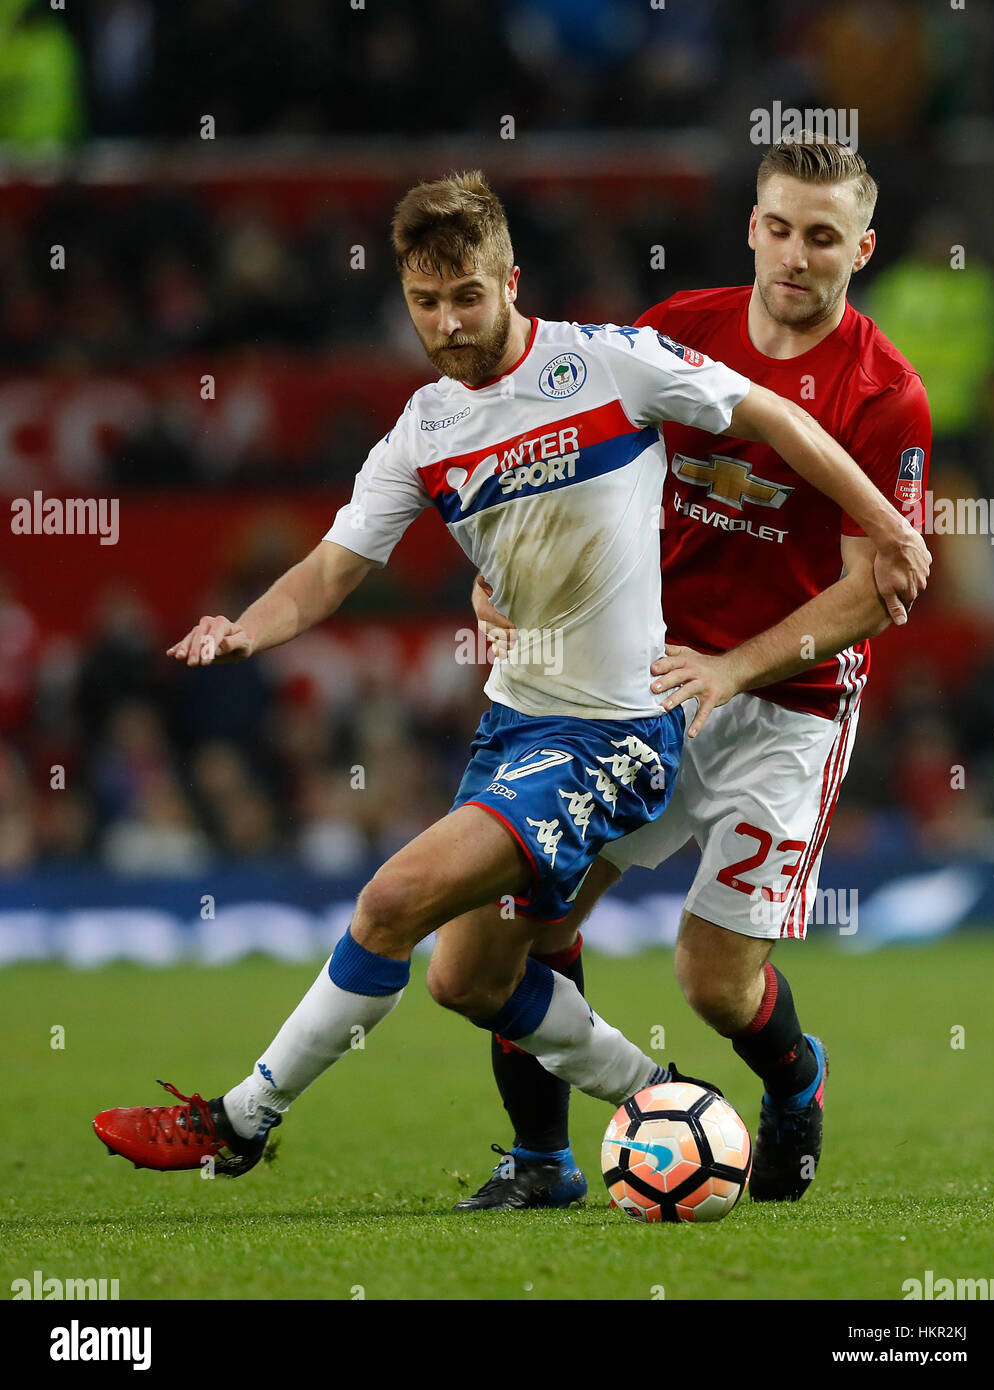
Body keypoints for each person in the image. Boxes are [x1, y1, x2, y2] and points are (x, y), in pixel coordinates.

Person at [92, 168, 928, 1180]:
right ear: (753, 230)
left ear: (511, 281)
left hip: (645, 721)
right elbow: (329, 569)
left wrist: (880, 528)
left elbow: (781, 430)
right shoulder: (426, 430)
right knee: (469, 973)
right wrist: (248, 628)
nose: (446, 321)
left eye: (467, 296)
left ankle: (241, 1116)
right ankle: (638, 1117)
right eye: (425, 302)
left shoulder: (617, 361)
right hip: (531, 718)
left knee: (419, 906)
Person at [449, 134, 934, 1210]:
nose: (795, 256)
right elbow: (572, 467)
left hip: (785, 707)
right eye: (778, 228)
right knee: (531, 928)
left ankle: (795, 1082)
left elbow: (875, 592)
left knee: (712, 982)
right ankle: (540, 1162)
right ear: (751, 227)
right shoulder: (679, 333)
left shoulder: (886, 393)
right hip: (642, 686)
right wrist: (510, 570)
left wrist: (734, 667)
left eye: (822, 236)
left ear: (862, 246)